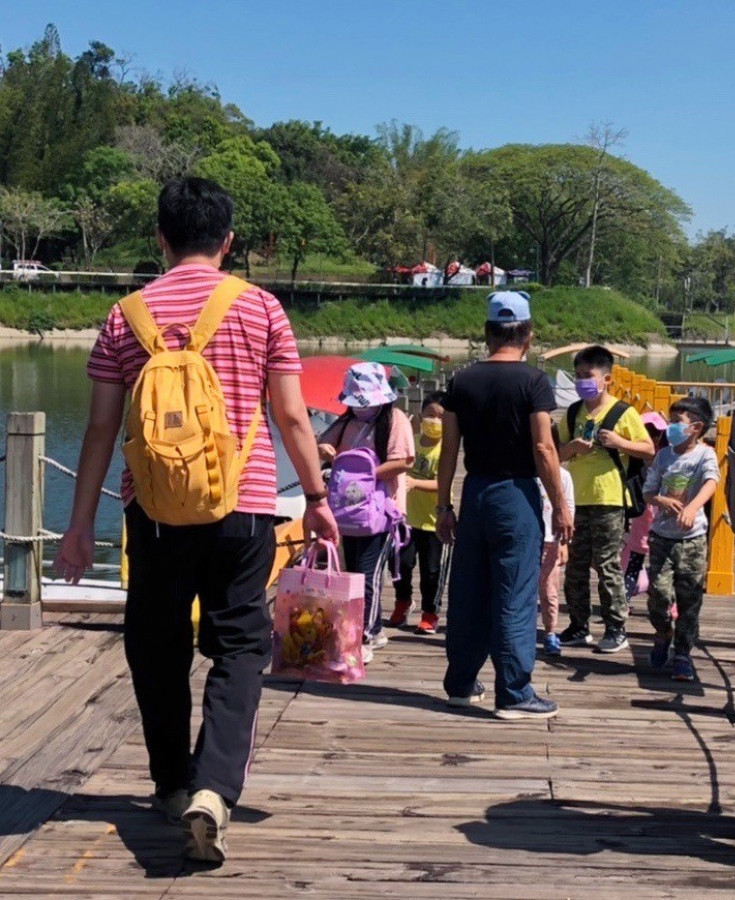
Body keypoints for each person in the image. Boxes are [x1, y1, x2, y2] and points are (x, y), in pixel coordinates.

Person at [54, 176, 338, 864]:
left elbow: (99, 430)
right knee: (240, 643)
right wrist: (318, 497)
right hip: (242, 506)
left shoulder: (125, 315)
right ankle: (216, 787)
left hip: (151, 509)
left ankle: (171, 782)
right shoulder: (261, 307)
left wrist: (80, 522)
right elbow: (293, 415)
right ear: (228, 240)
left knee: (155, 643)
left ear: (160, 237)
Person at [435, 291, 573, 719]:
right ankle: (513, 690)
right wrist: (561, 505)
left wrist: (444, 506)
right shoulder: (534, 382)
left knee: (468, 590)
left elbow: (449, 451)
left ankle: (460, 682)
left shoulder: (462, 381)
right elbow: (543, 448)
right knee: (514, 591)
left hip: (475, 492)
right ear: (528, 336)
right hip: (516, 494)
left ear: (486, 334)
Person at [556, 345, 655, 653]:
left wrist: (619, 441)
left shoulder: (624, 412)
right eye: (579, 375)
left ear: (607, 379)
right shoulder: (574, 412)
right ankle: (578, 625)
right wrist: (572, 447)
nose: (583, 381)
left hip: (610, 499)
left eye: (589, 375)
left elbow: (649, 449)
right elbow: (556, 455)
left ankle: (615, 628)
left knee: (607, 564)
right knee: (575, 567)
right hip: (578, 498)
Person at [317, 362, 414, 662]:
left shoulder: (395, 420)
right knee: (353, 571)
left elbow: (404, 461)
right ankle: (374, 625)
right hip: (348, 514)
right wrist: (325, 451)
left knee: (368, 575)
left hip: (381, 512)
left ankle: (364, 636)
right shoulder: (346, 423)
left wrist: (362, 475)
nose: (361, 407)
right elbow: (321, 443)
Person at [642, 397, 720, 682]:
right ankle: (663, 632)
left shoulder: (705, 455)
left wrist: (692, 507)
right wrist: (659, 498)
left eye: (678, 422)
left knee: (690, 598)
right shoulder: (663, 456)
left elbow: (712, 482)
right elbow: (648, 492)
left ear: (696, 427)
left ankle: (683, 654)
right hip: (662, 536)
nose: (672, 427)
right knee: (658, 595)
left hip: (692, 539)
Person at [391, 391, 447, 634]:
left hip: (434, 521)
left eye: (440, 417)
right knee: (401, 564)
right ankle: (402, 602)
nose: (434, 421)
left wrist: (415, 483)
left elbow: (442, 483)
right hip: (406, 517)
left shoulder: (446, 448)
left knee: (431, 571)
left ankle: (430, 612)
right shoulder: (412, 441)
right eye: (430, 415)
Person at [622, 411, 668, 601]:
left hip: (665, 521)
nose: (652, 437)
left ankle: (668, 607)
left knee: (665, 569)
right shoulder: (631, 458)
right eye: (646, 432)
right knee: (633, 562)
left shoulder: (670, 457)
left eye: (656, 433)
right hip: (641, 518)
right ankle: (623, 603)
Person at [537, 462, 574, 656]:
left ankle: (550, 632)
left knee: (549, 589)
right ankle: (520, 631)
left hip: (552, 540)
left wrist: (564, 542)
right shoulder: (527, 473)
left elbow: (569, 509)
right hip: (527, 539)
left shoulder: (564, 476)